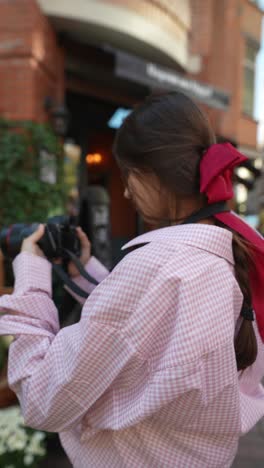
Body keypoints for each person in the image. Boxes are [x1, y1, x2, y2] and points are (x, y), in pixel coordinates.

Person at [1, 92, 264, 468]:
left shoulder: (155, 267)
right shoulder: (223, 257)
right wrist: (85, 270)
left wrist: (31, 270)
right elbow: (148, 330)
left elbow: (44, 399)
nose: (125, 191)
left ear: (151, 176)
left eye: (129, 177)